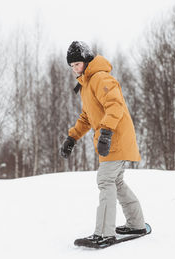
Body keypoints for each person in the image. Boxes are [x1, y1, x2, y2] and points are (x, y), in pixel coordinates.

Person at [60, 41, 146, 247]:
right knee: (116, 182)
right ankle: (136, 223)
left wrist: (106, 132)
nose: (75, 69)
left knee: (105, 180)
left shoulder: (100, 77)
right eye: (71, 66)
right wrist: (72, 137)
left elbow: (114, 105)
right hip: (112, 138)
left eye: (78, 64)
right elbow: (87, 117)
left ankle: (105, 233)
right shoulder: (86, 84)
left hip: (115, 136)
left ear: (87, 61)